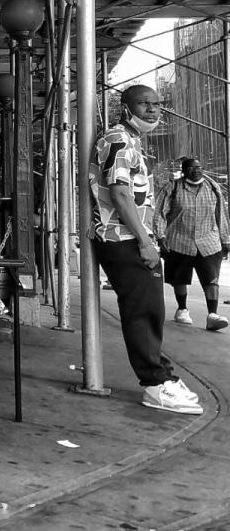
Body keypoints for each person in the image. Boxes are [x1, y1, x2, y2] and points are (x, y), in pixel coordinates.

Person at [89, 84, 202, 415]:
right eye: (144, 104)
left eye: (157, 104)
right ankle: (155, 384)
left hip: (127, 236)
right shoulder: (118, 140)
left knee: (150, 310)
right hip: (124, 238)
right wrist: (144, 241)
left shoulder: (131, 141)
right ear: (126, 108)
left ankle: (161, 375)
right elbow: (120, 193)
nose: (153, 110)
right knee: (144, 311)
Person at [155, 156, 230, 332]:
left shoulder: (213, 187)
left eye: (199, 167)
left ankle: (212, 315)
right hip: (180, 241)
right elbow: (160, 213)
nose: (196, 170)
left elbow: (221, 214)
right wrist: (160, 236)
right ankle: (182, 309)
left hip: (208, 242)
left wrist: (226, 239)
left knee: (212, 279)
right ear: (184, 171)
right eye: (191, 168)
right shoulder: (172, 188)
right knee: (180, 278)